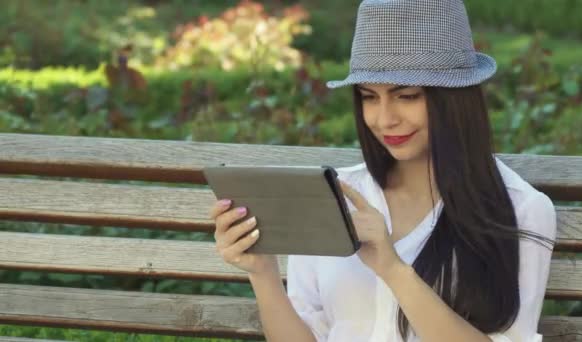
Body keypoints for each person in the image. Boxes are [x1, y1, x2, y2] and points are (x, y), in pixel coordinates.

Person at [209, 0, 557, 341]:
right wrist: (263, 274)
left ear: (454, 99)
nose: (384, 118)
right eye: (369, 96)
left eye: (406, 96)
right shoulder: (334, 196)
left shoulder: (519, 209)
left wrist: (392, 269)